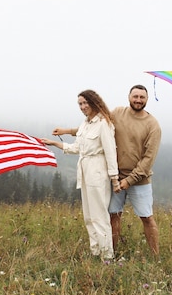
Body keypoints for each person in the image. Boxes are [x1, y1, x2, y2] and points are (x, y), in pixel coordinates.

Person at [53, 84, 161, 256]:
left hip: (139, 181)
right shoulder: (118, 113)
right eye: (135, 96)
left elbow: (148, 160)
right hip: (116, 177)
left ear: (147, 99)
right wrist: (67, 131)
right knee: (112, 216)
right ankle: (111, 253)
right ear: (129, 97)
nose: (138, 100)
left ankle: (156, 256)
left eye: (142, 97)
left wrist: (129, 181)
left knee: (146, 218)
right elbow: (95, 124)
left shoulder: (152, 125)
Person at [41, 90, 120, 261]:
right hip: (84, 171)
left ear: (94, 102)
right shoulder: (85, 124)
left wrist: (114, 179)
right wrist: (55, 143)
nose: (83, 107)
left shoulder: (104, 123)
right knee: (89, 216)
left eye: (86, 103)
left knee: (99, 216)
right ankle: (96, 252)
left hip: (98, 172)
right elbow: (77, 148)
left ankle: (107, 256)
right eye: (80, 104)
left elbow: (110, 152)